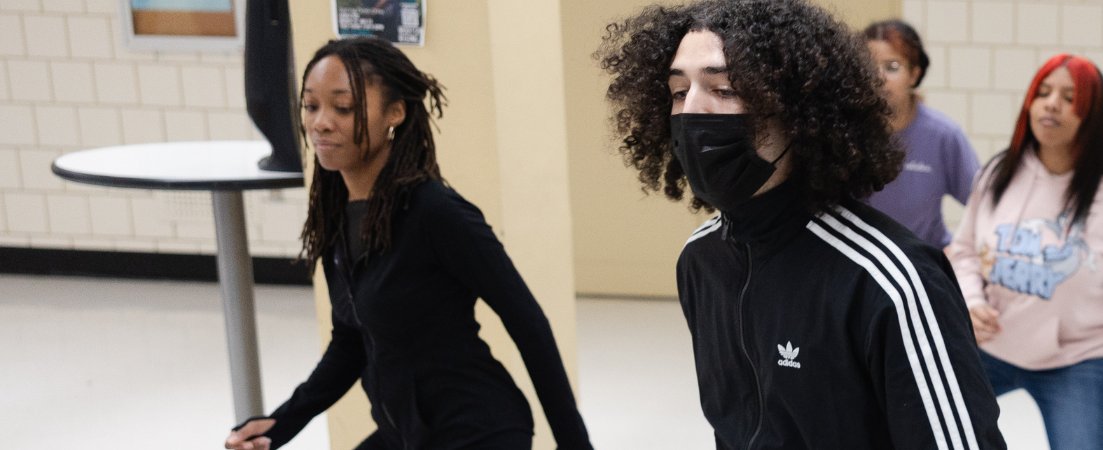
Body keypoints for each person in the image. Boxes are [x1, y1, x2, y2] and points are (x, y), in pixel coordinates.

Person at [595, 0, 1005, 448]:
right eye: (678, 92)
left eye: (725, 89)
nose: (692, 111)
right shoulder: (700, 260)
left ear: (796, 110)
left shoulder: (891, 279)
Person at [222, 36, 592, 450]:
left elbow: (529, 325)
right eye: (311, 105)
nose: (320, 122)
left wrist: (575, 445)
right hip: (406, 434)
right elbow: (351, 341)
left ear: (394, 113)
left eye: (342, 107)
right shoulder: (337, 216)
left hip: (477, 429)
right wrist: (280, 424)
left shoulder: (438, 212)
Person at [946, 54, 1103, 450]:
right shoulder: (999, 174)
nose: (1051, 104)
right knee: (928, 432)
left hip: (1074, 363)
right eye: (1043, 93)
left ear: (1091, 116)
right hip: (989, 349)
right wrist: (970, 299)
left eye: (1069, 98)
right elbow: (963, 251)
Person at [861, 19, 978, 246]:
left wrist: (963, 257)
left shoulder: (943, 135)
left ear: (914, 75)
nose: (879, 78)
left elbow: (985, 206)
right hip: (863, 266)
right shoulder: (846, 135)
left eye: (892, 67)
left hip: (924, 265)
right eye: (868, 66)